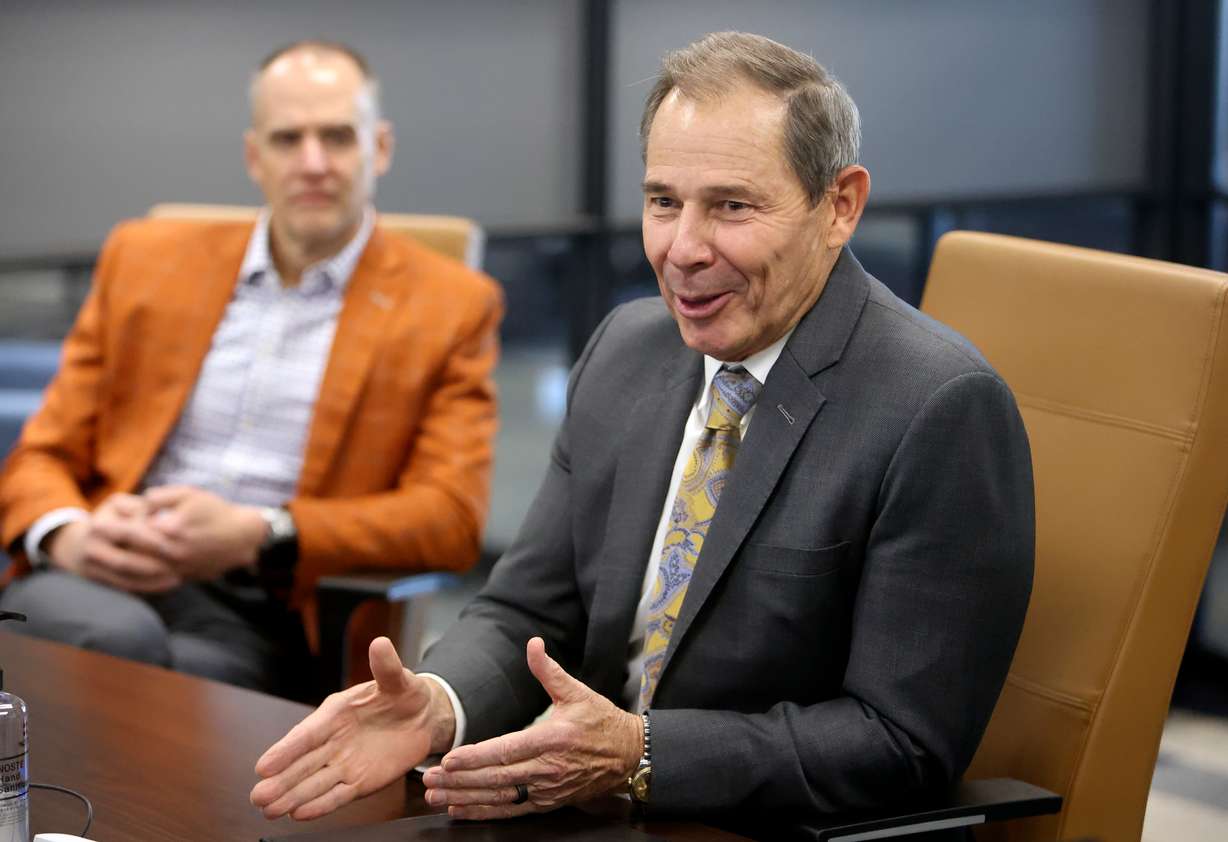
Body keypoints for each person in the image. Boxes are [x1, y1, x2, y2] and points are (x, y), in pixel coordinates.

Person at [250, 31, 1033, 836]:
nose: (681, 250)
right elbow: (527, 607)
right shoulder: (628, 348)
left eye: (731, 206)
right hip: (582, 808)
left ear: (840, 206)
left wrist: (639, 752)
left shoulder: (937, 406)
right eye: (663, 202)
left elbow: (901, 741)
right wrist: (438, 704)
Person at [0, 41, 502, 696]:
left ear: (379, 148)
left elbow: (450, 518)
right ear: (254, 156)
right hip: (101, 572)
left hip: (262, 607)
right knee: (118, 642)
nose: (313, 163)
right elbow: (41, 455)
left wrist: (261, 532)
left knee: (136, 667)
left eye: (337, 137)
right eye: (288, 139)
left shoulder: (450, 304)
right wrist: (69, 535)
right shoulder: (144, 260)